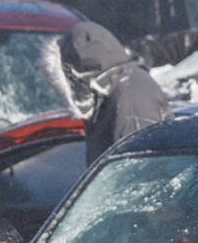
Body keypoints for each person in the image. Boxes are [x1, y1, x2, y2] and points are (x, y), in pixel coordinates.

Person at [59, 21, 173, 164]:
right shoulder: (108, 90)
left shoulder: (127, 96)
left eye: (69, 77)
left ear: (78, 71)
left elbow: (136, 169)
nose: (70, 84)